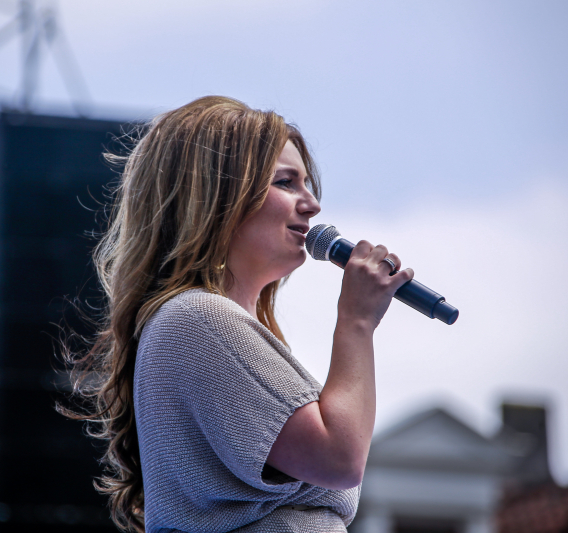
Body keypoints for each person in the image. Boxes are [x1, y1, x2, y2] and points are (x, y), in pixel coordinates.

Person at [66, 96, 414, 533]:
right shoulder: (196, 319)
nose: (312, 205)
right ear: (216, 195)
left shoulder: (204, 322)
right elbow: (338, 458)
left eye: (308, 185)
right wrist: (357, 322)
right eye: (286, 183)